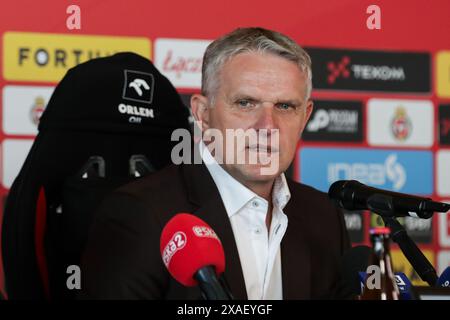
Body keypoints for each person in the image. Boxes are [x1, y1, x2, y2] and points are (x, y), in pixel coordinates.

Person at [80, 27, 350, 300]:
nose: (267, 126)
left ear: (305, 117)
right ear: (202, 114)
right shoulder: (140, 215)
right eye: (245, 103)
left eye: (285, 107)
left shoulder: (325, 218)